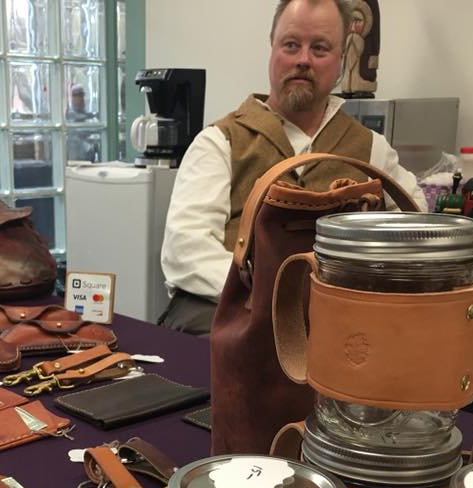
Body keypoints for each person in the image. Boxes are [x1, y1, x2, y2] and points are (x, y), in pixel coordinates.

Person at [158, 0, 427, 335]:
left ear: (342, 58)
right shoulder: (219, 142)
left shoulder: (372, 149)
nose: (303, 59)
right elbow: (186, 252)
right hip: (233, 320)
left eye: (319, 48)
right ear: (272, 48)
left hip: (338, 326)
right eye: (291, 44)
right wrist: (278, 297)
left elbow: (417, 230)